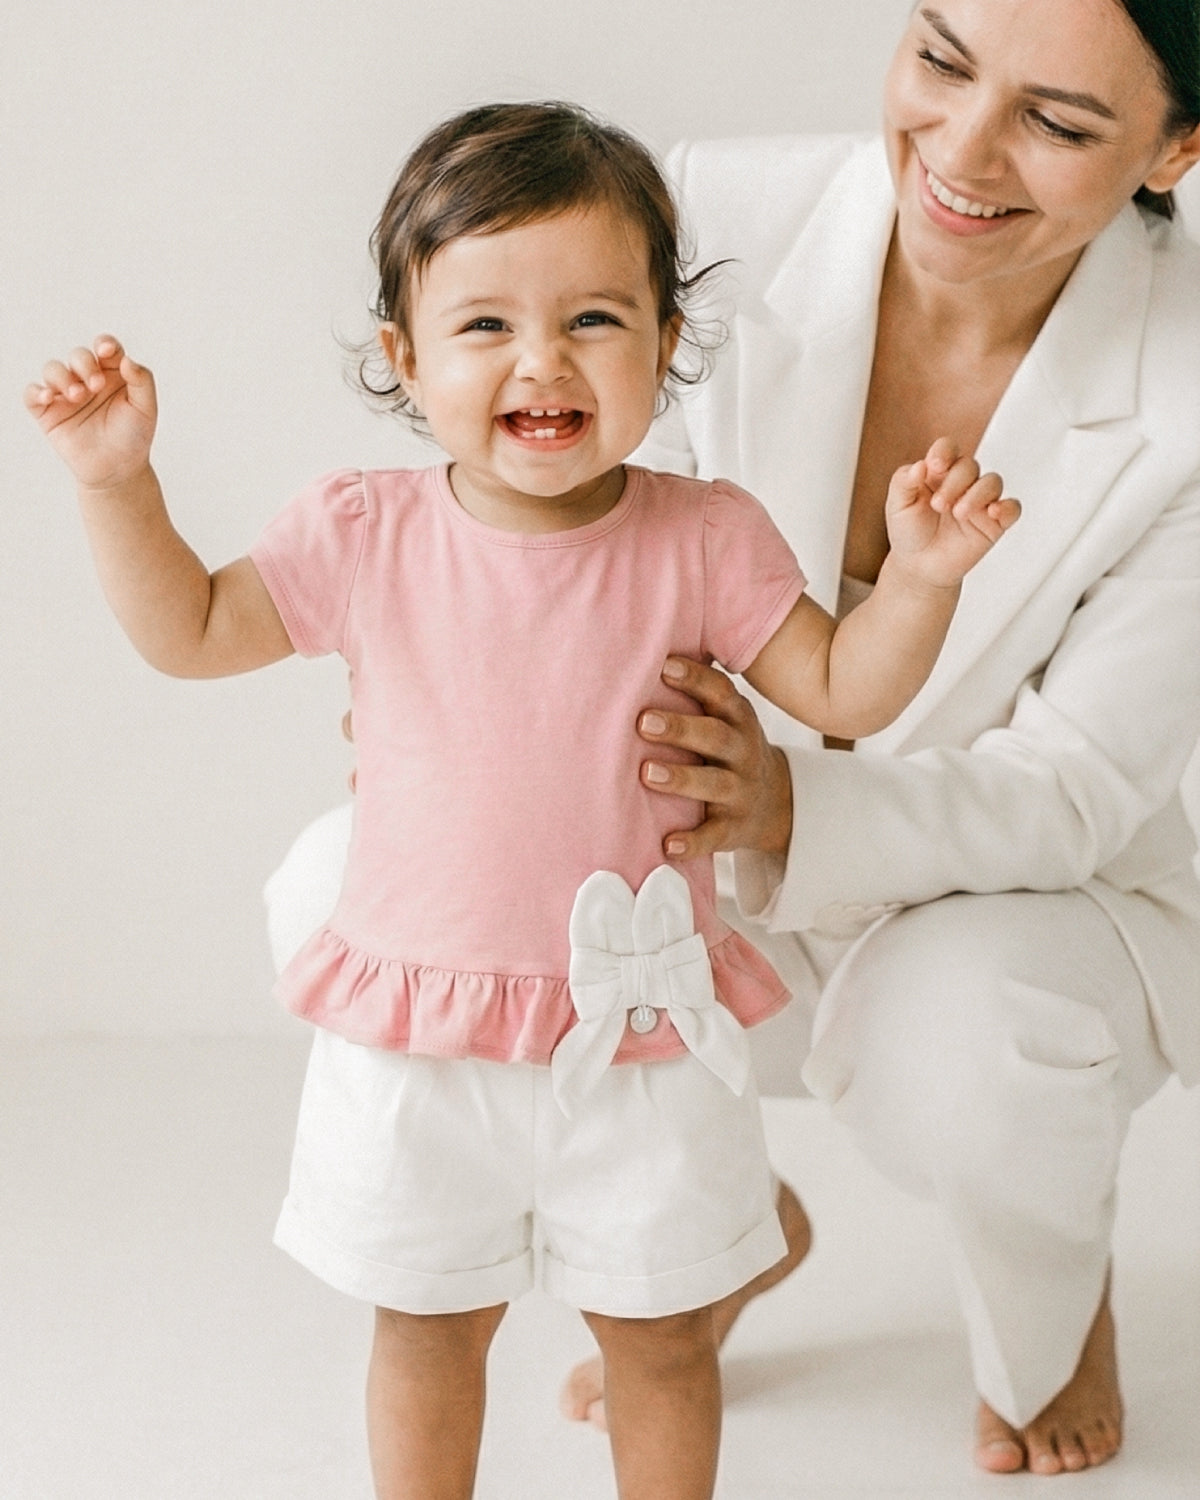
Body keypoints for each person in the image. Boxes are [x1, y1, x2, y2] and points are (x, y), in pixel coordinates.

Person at [263, 0, 1200, 1481]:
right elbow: (579, 533)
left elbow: (1078, 785)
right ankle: (709, 1226)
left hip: (1030, 885)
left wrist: (785, 800)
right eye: (943, 60)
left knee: (966, 1055)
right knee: (339, 882)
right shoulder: (710, 213)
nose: (961, 149)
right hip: (683, 850)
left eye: (1060, 121)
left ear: (1176, 146)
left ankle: (1050, 1287)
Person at [24, 103, 1016, 1500]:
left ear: (668, 344)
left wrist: (918, 578)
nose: (542, 361)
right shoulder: (364, 530)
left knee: (663, 1344)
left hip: (643, 1035)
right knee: (429, 1329)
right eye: (484, 325)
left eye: (596, 320)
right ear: (404, 359)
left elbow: (847, 692)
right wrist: (118, 485)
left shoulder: (704, 534)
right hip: (417, 1037)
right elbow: (188, 630)